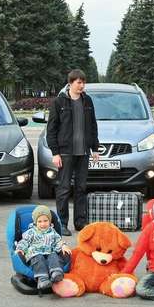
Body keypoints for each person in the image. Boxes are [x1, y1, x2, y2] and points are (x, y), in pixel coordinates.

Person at [46, 69, 100, 236]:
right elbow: (51, 129)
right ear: (70, 83)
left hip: (83, 153)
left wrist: (95, 148)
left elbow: (93, 126)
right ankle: (62, 223)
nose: (82, 85)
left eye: (83, 82)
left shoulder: (87, 101)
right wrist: (55, 153)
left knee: (81, 188)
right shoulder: (59, 102)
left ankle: (80, 222)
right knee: (63, 188)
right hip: (65, 153)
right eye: (78, 82)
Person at [15, 205, 72, 290]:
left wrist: (63, 246)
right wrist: (20, 249)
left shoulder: (52, 232)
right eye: (40, 221)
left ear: (50, 221)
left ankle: (56, 273)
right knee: (38, 259)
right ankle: (42, 279)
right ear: (35, 222)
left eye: (45, 221)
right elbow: (24, 241)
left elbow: (58, 241)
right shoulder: (31, 232)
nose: (43, 224)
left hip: (49, 252)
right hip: (35, 253)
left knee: (54, 256)